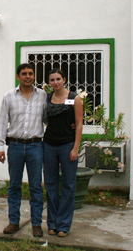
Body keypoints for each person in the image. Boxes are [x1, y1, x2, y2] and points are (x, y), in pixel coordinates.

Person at [0, 63, 47, 237]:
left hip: (35, 146)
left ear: (34, 75)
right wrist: (0, 146)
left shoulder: (42, 96)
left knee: (36, 187)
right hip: (15, 146)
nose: (28, 76)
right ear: (18, 76)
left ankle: (37, 224)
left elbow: (49, 119)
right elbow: (3, 122)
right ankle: (13, 222)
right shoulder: (9, 96)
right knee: (14, 186)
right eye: (24, 74)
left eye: (30, 73)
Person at [43, 68, 83, 237]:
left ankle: (64, 225)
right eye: (52, 80)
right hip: (49, 145)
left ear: (64, 80)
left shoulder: (75, 99)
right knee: (51, 184)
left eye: (58, 79)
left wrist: (76, 147)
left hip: (67, 145)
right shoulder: (46, 99)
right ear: (49, 83)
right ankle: (52, 223)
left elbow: (79, 124)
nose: (56, 82)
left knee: (68, 184)